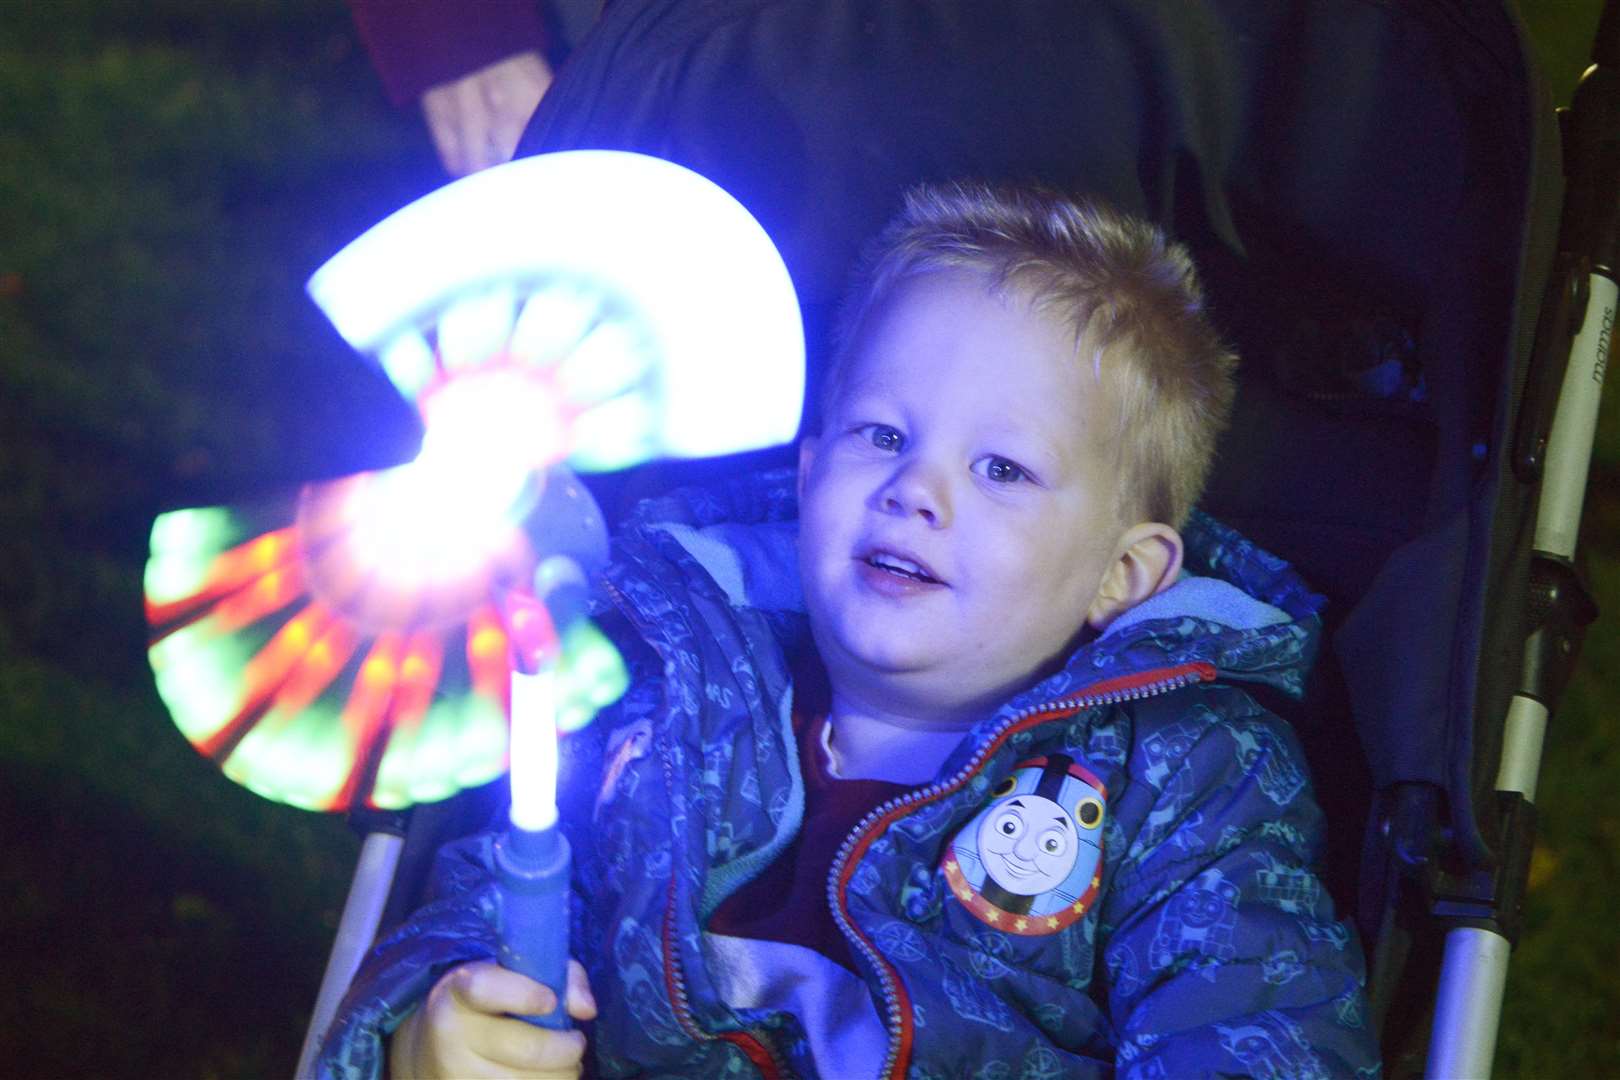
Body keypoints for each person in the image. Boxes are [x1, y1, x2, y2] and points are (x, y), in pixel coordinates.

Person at [317, 181, 1380, 1078]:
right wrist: (427, 1030)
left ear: (1123, 574)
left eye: (1001, 468)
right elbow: (490, 895)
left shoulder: (1188, 768)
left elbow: (1250, 1020)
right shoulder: (665, 675)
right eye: (882, 433)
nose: (917, 488)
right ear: (811, 468)